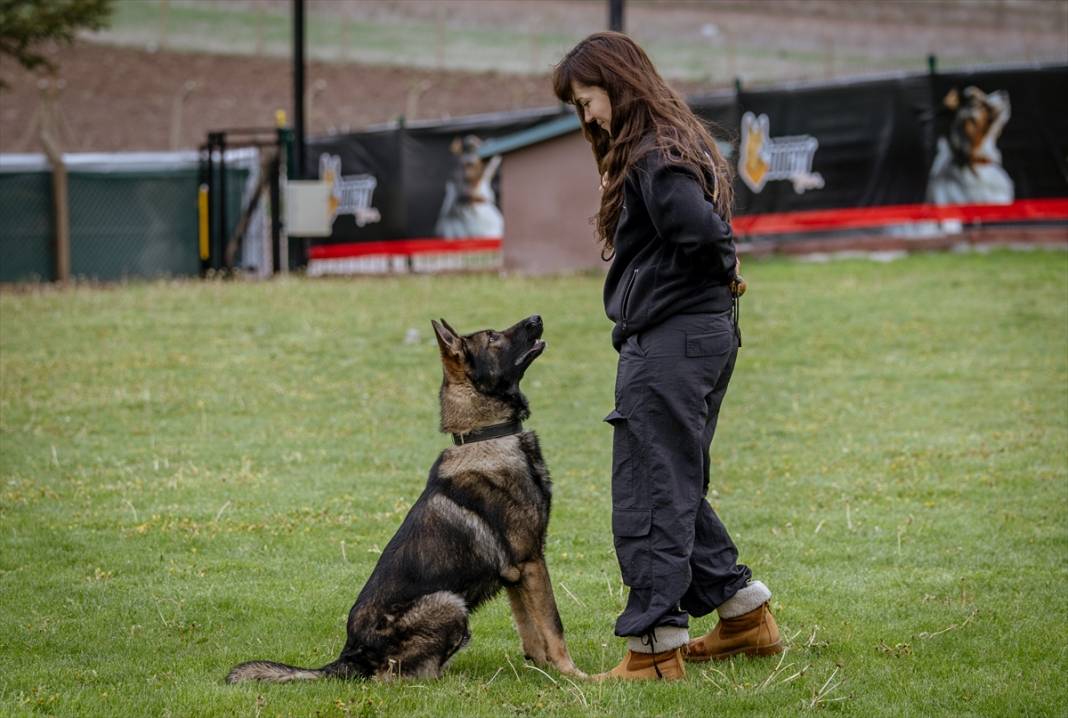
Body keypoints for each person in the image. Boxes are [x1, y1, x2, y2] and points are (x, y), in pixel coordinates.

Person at [552, 32, 782, 681]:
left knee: (650, 488)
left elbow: (702, 229)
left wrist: (723, 269)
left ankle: (655, 649)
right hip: (699, 334)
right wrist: (721, 283)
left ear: (616, 84)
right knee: (672, 478)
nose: (587, 115)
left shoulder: (654, 153)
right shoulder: (674, 140)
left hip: (673, 341)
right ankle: (742, 616)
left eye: (587, 98)